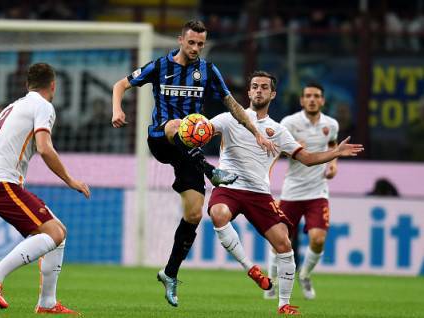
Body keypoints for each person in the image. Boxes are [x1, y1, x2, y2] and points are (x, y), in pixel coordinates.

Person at [111, 20, 277, 307]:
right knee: (178, 125)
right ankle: (212, 172)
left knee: (194, 214)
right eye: (192, 43)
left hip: (189, 152)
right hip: (162, 139)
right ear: (180, 40)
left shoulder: (208, 71)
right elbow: (121, 84)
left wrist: (256, 133)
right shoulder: (159, 67)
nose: (196, 48)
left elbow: (233, 105)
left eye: (201, 43)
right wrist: (117, 109)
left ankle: (170, 273)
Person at [207, 71, 363, 314]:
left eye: (264, 87)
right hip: (229, 187)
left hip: (259, 194)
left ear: (273, 94)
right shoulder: (228, 118)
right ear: (248, 92)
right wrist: (191, 129)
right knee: (218, 213)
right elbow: (203, 129)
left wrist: (334, 153)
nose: (258, 90)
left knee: (284, 243)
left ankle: (284, 304)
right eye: (255, 86)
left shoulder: (278, 130)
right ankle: (251, 269)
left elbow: (308, 158)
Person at [0, 63, 90, 314]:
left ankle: (47, 303)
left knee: (59, 233)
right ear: (53, 85)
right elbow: (44, 148)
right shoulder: (43, 106)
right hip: (3, 183)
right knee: (53, 232)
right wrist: (70, 180)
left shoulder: (12, 107)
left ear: (27, 85)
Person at [265, 82, 339, 301]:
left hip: (318, 192)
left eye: (316, 96)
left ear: (323, 100)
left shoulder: (331, 124)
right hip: (292, 192)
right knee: (279, 239)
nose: (312, 99)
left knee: (318, 239)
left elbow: (333, 144)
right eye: (308, 96)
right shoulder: (290, 122)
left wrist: (333, 164)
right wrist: (292, 147)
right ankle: (271, 281)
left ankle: (305, 275)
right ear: (302, 100)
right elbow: (274, 148)